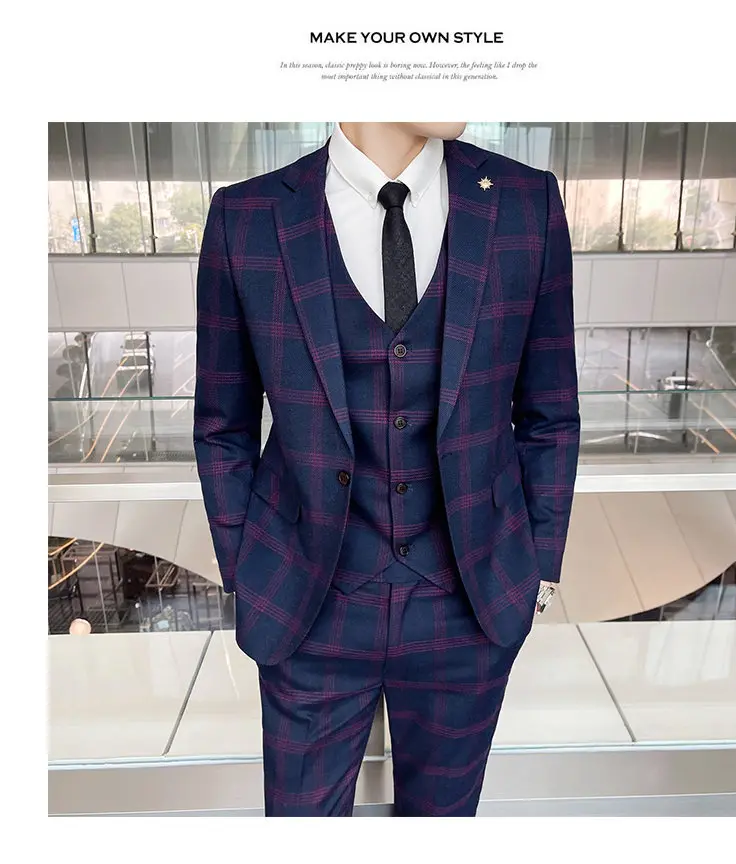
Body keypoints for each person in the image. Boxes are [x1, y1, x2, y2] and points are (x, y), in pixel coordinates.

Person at [194, 122, 580, 816]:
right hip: (307, 608)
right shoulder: (245, 216)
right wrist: (246, 569)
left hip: (470, 604)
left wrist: (538, 570)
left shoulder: (526, 203)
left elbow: (550, 412)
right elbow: (223, 425)